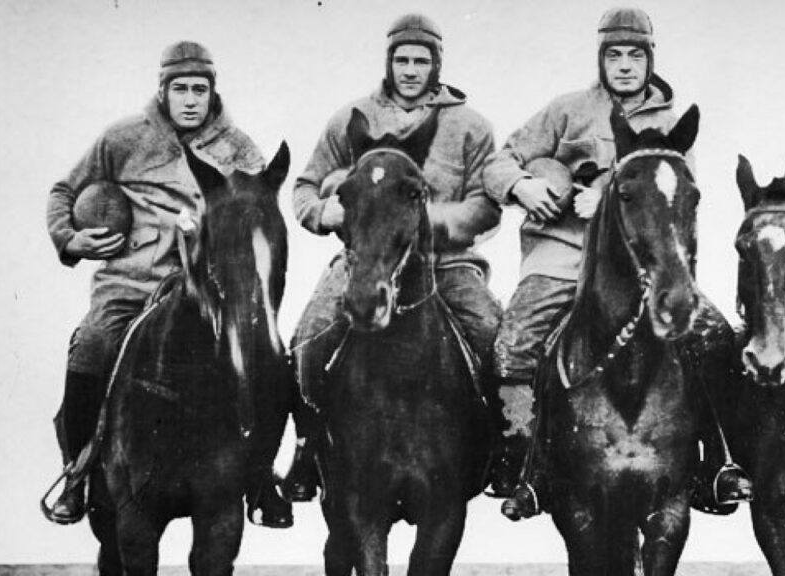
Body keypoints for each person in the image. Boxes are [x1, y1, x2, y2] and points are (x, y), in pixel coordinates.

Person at [482, 6, 751, 517]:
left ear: (650, 60)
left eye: (635, 55)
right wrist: (523, 185)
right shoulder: (566, 110)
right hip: (561, 256)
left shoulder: (671, 125)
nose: (625, 65)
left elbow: (676, 195)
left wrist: (605, 192)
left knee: (714, 338)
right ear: (600, 58)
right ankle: (524, 464)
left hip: (642, 270)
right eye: (614, 54)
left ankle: (718, 462)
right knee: (514, 342)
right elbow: (502, 159)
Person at [45, 41, 292, 527]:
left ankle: (261, 478)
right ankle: (77, 474)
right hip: (131, 285)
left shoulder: (239, 148)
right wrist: (71, 239)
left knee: (272, 359)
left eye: (200, 89)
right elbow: (63, 192)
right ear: (163, 91)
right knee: (91, 346)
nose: (191, 99)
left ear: (212, 92)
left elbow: (258, 213)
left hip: (208, 293)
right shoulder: (122, 139)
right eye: (180, 88)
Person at [284, 13, 503, 498]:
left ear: (436, 64)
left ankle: (505, 446)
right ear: (389, 61)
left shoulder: (469, 125)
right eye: (401, 59)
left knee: (494, 335)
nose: (410, 69)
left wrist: (431, 224)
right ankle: (307, 448)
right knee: (307, 337)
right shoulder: (351, 119)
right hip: (363, 263)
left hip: (446, 266)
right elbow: (303, 186)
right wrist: (325, 213)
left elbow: (488, 205)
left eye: (420, 60)